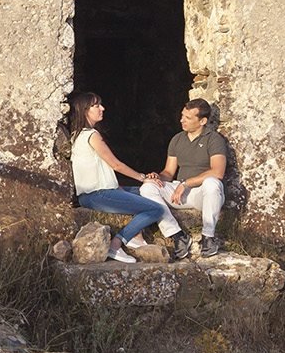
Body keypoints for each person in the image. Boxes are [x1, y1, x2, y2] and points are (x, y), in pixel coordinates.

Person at [61, 90, 166, 262]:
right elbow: (115, 164)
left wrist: (126, 188)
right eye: (96, 105)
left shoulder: (77, 135)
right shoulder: (91, 136)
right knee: (156, 208)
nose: (102, 108)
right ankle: (116, 244)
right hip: (98, 195)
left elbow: (102, 171)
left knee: (150, 190)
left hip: (100, 192)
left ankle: (135, 236)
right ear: (85, 110)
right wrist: (142, 177)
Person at [140, 98, 229, 259]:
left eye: (187, 118)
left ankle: (208, 238)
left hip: (203, 194)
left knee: (212, 183)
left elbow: (218, 172)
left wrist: (185, 183)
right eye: (182, 116)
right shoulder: (177, 139)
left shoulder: (214, 139)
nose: (182, 120)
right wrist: (157, 177)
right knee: (147, 187)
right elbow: (168, 173)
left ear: (202, 121)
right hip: (180, 192)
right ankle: (178, 235)